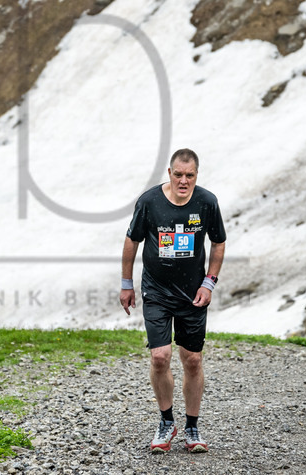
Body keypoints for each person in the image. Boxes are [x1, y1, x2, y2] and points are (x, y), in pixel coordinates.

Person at [120, 148, 226, 454]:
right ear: (169, 173)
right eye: (178, 174)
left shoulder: (207, 202)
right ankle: (166, 422)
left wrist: (209, 282)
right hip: (156, 292)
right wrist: (127, 283)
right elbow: (132, 240)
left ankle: (192, 428)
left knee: (192, 360)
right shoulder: (149, 201)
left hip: (193, 294)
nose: (183, 181)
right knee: (160, 357)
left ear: (196, 175)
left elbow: (218, 242)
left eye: (189, 175)